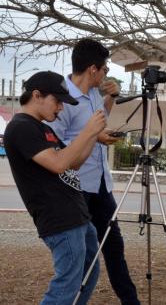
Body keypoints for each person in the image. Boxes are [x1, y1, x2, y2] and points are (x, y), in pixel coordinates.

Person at [47, 39, 141, 304]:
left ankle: (131, 301)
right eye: (105, 70)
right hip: (76, 187)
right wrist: (95, 137)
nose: (106, 74)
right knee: (82, 256)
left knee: (114, 248)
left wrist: (110, 98)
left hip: (101, 184)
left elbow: (100, 120)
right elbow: (54, 144)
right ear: (92, 69)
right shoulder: (62, 98)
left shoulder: (95, 94)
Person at [4, 71, 106, 304]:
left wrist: (93, 136)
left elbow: (74, 161)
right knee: (67, 284)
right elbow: (59, 164)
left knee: (87, 276)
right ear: (37, 95)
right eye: (57, 101)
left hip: (77, 215)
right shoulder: (21, 127)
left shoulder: (43, 127)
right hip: (59, 219)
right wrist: (88, 130)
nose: (60, 108)